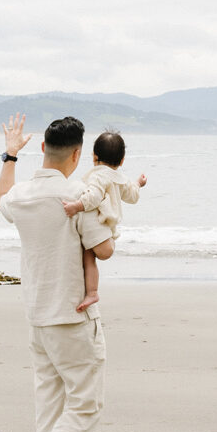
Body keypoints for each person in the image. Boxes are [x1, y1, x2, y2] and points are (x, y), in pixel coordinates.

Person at [0, 113, 114, 432]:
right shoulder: (78, 193)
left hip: (38, 318)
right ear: (79, 154)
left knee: (50, 411)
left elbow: (1, 200)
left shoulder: (23, 195)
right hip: (72, 317)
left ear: (42, 148)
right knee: (85, 406)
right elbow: (103, 250)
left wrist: (10, 154)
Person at [61, 131, 147, 312]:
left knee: (89, 256)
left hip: (99, 228)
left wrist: (76, 206)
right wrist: (138, 184)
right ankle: (92, 292)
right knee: (88, 255)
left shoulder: (97, 176)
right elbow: (132, 196)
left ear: (94, 156)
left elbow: (93, 197)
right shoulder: (120, 179)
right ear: (122, 161)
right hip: (109, 231)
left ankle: (92, 292)